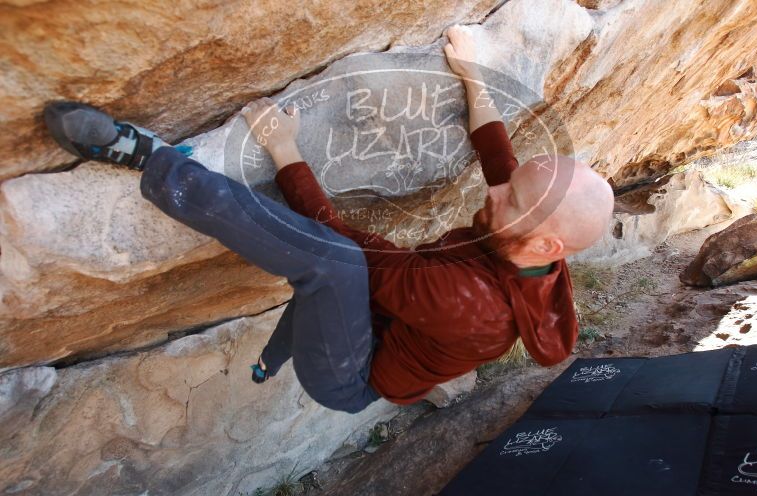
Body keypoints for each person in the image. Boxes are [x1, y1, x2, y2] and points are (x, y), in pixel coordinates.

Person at [43, 26, 614, 413]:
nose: (496, 190)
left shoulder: (469, 305)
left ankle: (150, 159)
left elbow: (340, 242)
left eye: (509, 198)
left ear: (545, 244)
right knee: (325, 294)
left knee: (331, 267)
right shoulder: (529, 232)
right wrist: (470, 73)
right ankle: (270, 360)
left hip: (350, 375)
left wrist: (286, 150)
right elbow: (499, 157)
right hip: (386, 316)